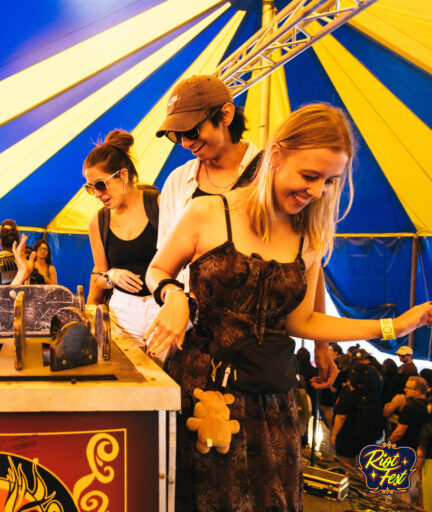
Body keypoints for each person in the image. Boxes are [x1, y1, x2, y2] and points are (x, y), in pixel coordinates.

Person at [143, 104, 432, 511]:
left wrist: (391, 327)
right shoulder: (208, 211)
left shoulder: (309, 237)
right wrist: (174, 294)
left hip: (272, 404)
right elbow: (156, 270)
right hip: (202, 391)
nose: (316, 191)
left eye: (329, 181)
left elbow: (303, 321)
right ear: (276, 155)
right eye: (310, 176)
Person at [154, 74, 337, 387]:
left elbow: (306, 261)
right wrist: (172, 298)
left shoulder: (275, 173)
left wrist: (322, 344)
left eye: (192, 130)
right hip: (190, 349)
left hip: (258, 363)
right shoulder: (176, 182)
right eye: (176, 135)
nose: (185, 142)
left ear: (225, 115)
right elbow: (162, 265)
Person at [84, 129, 161, 344]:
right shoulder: (99, 222)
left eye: (100, 185)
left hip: (162, 310)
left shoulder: (158, 205)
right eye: (90, 188)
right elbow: (97, 279)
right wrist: (111, 275)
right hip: (122, 317)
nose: (97, 194)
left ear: (123, 175)